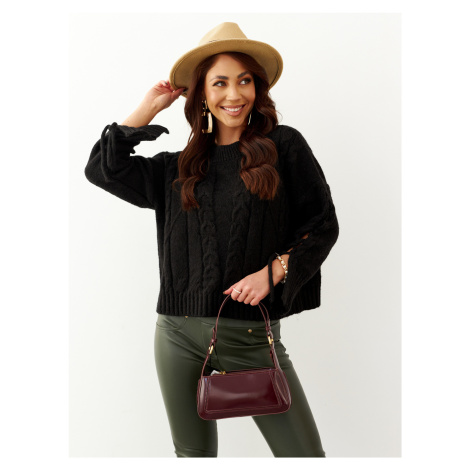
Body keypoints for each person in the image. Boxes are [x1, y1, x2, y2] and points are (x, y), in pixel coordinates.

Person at [84, 22, 339, 458]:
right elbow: (101, 170)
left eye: (244, 81)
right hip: (175, 336)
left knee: (304, 457)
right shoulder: (177, 167)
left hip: (250, 336)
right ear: (201, 93)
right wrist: (148, 108)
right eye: (219, 83)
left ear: (257, 88)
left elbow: (323, 223)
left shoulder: (283, 146)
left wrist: (273, 272)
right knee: (193, 458)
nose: (234, 94)